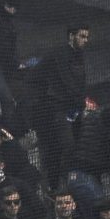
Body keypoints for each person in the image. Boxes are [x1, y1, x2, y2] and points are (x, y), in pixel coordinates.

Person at [33, 24, 91, 185]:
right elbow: (65, 81)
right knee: (67, 145)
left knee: (74, 145)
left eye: (87, 37)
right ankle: (61, 182)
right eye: (82, 36)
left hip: (74, 107)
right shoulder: (59, 54)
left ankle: (64, 181)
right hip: (58, 108)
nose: (86, 40)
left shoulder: (79, 55)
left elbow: (80, 82)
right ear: (72, 36)